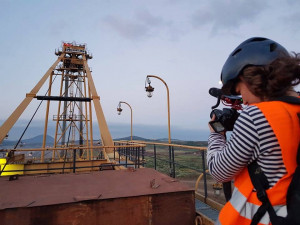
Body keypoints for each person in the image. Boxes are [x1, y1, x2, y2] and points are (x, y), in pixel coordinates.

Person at [207, 37, 300, 225]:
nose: (244, 102)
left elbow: (219, 171)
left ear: (251, 78)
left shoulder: (255, 116)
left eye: (241, 92)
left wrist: (216, 134)